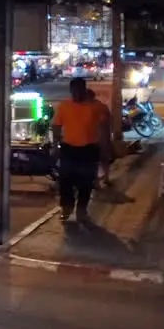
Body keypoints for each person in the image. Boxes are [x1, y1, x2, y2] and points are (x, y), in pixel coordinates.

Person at [52, 78, 112, 222]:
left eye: (79, 91)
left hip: (89, 149)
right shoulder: (64, 106)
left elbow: (105, 126)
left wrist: (106, 148)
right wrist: (55, 145)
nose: (76, 95)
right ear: (70, 91)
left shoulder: (97, 107)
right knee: (66, 180)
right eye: (73, 92)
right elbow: (56, 125)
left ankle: (81, 209)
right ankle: (67, 207)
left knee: (86, 182)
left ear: (84, 90)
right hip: (68, 148)